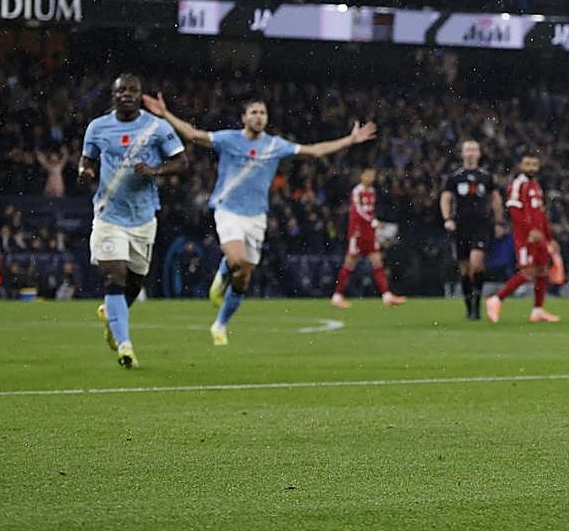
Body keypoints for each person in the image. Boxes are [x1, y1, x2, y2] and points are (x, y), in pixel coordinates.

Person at [142, 92, 377, 345]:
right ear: (244, 118)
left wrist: (350, 140)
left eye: (262, 113)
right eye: (253, 112)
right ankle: (224, 273)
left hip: (256, 218)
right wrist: (166, 114)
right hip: (228, 210)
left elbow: (315, 151)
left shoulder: (275, 145)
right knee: (239, 260)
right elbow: (192, 134)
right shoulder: (228, 139)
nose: (258, 116)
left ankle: (220, 324)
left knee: (243, 278)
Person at [81, 74, 188, 368]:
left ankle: (111, 316)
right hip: (108, 215)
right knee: (114, 277)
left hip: (142, 217)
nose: (127, 94)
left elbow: (182, 161)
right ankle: (125, 346)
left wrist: (156, 171)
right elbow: (86, 160)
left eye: (133, 90)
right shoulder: (98, 127)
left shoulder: (157, 127)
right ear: (113, 95)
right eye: (121, 90)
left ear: (140, 95)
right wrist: (85, 171)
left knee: (134, 282)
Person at [486, 152, 560, 323]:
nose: (532, 168)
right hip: (526, 237)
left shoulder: (536, 186)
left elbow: (541, 214)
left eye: (534, 164)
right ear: (520, 166)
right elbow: (514, 211)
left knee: (542, 270)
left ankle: (537, 310)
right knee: (528, 271)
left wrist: (549, 238)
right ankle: (496, 299)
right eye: (528, 164)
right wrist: (529, 230)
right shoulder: (517, 185)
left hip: (539, 236)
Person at [440, 139, 504, 319]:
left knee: (477, 263)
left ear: (478, 153)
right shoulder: (455, 176)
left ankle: (477, 304)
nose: (470, 153)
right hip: (461, 225)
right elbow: (445, 197)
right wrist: (447, 219)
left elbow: (495, 199)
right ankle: (470, 308)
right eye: (467, 150)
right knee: (464, 268)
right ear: (462, 153)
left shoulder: (486, 176)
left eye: (473, 149)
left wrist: (499, 221)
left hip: (481, 225)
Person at [330, 167, 406, 309]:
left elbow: (370, 211)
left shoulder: (372, 191)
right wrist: (374, 222)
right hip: (357, 233)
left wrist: (372, 225)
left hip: (369, 233)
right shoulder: (356, 191)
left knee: (377, 262)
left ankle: (387, 296)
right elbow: (358, 211)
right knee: (349, 263)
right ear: (362, 176)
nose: (371, 178)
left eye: (373, 175)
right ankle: (337, 296)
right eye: (368, 175)